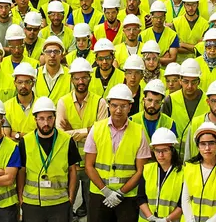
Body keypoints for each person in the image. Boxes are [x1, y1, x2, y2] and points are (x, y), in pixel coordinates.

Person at [84, 84, 150, 222]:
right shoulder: (97, 129)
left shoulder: (139, 132)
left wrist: (121, 193)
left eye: (123, 106)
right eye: (114, 105)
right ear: (108, 105)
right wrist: (105, 191)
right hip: (99, 193)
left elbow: (140, 170)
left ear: (130, 107)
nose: (118, 110)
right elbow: (89, 166)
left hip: (127, 196)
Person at [58, 57, 109, 219]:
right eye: (77, 78)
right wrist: (89, 130)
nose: (81, 81)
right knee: (66, 204)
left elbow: (101, 133)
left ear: (90, 78)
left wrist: (72, 131)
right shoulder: (63, 102)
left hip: (91, 164)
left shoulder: (100, 102)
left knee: (92, 206)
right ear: (71, 79)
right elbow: (60, 133)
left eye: (84, 77)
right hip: (69, 163)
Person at [18, 96, 80, 222]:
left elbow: (73, 170)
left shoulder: (67, 140)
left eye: (49, 118)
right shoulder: (25, 141)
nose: (46, 123)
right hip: (32, 203)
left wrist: (71, 198)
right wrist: (20, 198)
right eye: (41, 119)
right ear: (35, 119)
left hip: (60, 203)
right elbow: (21, 171)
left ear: (55, 118)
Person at [182, 122, 216, 222]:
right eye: (203, 144)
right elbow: (185, 200)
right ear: (198, 147)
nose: (207, 148)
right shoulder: (189, 168)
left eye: (211, 143)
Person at [137, 128, 184, 222]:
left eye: (165, 150)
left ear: (173, 151)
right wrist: (150, 217)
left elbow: (183, 204)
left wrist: (166, 219)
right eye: (157, 151)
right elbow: (141, 197)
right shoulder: (147, 169)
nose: (160, 155)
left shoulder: (183, 172)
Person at [161, 59, 208, 141]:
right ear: (180, 81)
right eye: (186, 81)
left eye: (193, 82)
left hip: (202, 150)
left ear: (199, 82)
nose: (189, 86)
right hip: (176, 150)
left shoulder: (208, 100)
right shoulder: (170, 100)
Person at [3, 63, 38, 139]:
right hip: (15, 150)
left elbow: (45, 135)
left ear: (33, 83)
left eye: (27, 82)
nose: (23, 86)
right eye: (20, 82)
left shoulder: (41, 105)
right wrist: (31, 135)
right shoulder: (6, 107)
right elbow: (6, 137)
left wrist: (17, 135)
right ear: (14, 83)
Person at [37, 35, 72, 102]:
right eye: (48, 52)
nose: (52, 55)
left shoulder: (70, 75)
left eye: (56, 52)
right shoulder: (35, 74)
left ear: (62, 56)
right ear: (43, 55)